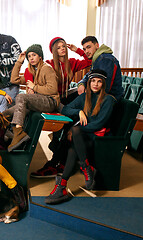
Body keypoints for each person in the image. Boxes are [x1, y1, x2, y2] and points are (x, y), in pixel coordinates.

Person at [45, 69, 115, 204]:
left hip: (98, 138)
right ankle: (69, 181)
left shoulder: (108, 100)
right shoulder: (85, 97)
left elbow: (98, 124)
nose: (95, 84)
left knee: (76, 132)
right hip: (82, 138)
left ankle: (65, 184)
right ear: (89, 82)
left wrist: (75, 130)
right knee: (73, 147)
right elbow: (65, 109)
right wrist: (79, 112)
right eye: (93, 81)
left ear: (103, 84)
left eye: (99, 81)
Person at [30, 37, 92, 178]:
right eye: (58, 47)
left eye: (63, 46)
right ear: (53, 51)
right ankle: (58, 156)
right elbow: (33, 71)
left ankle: (60, 159)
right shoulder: (49, 64)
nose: (62, 49)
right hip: (55, 99)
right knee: (61, 128)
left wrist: (78, 50)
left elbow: (89, 61)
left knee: (67, 124)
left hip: (66, 98)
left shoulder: (72, 62)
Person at [3, 44, 59, 152]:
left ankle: (18, 132)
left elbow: (53, 89)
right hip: (39, 100)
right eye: (29, 56)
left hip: (50, 101)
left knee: (21, 97)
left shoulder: (47, 68)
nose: (31, 58)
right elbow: (14, 80)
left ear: (40, 57)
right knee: (6, 113)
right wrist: (19, 62)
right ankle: (9, 136)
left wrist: (35, 87)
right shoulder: (33, 71)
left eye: (34, 55)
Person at [77, 36, 124, 100]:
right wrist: (81, 83)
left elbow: (104, 87)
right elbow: (89, 75)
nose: (86, 51)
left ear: (97, 45)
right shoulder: (98, 58)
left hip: (110, 100)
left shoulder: (105, 59)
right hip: (105, 99)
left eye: (89, 47)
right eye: (84, 49)